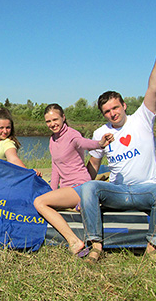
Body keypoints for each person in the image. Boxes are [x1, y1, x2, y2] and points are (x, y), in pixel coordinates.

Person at [80, 26, 156, 263]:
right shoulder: (101, 132)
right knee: (89, 188)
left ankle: (153, 248)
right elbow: (92, 167)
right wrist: (81, 197)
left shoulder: (142, 118)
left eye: (115, 107)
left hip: (147, 190)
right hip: (119, 192)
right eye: (106, 111)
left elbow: (154, 87)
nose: (112, 114)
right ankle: (96, 246)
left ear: (123, 105)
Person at [33, 104, 113, 256]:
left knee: (39, 202)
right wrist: (53, 191)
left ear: (63, 117)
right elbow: (55, 167)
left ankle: (74, 241)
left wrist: (100, 144)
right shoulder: (52, 140)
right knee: (45, 199)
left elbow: (86, 143)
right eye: (48, 121)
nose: (52, 124)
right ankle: (79, 206)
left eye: (55, 119)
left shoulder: (72, 134)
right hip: (67, 188)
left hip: (80, 185)